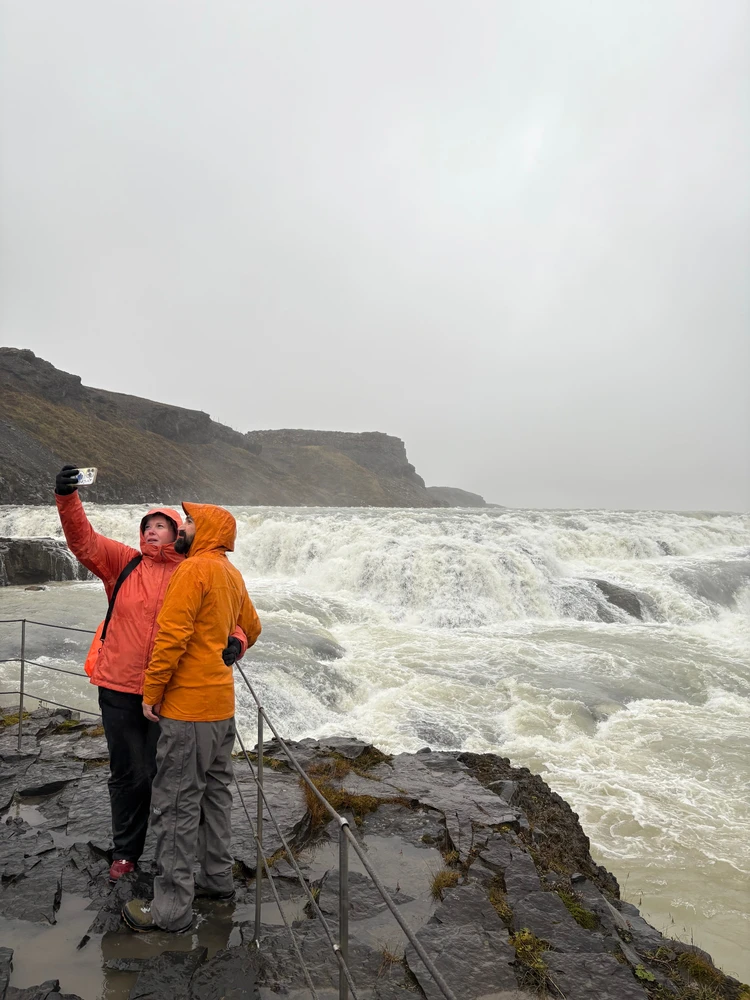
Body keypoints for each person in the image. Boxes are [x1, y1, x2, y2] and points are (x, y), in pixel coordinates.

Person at [54, 465, 249, 882]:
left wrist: (238, 639)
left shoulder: (194, 570)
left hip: (172, 695)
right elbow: (82, 541)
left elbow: (227, 616)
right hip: (120, 688)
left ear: (180, 533)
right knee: (128, 775)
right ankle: (126, 851)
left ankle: (171, 859)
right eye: (147, 526)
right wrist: (67, 498)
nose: (151, 532)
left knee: (168, 779)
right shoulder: (123, 564)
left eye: (162, 525)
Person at [122, 502, 261, 933]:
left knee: (176, 806)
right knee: (216, 797)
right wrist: (234, 643)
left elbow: (172, 636)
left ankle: (169, 909)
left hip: (189, 711)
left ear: (210, 531)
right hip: (222, 711)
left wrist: (152, 691)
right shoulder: (230, 574)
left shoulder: (193, 570)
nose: (183, 527)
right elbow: (251, 627)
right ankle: (216, 879)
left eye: (191, 522)